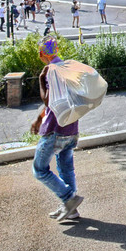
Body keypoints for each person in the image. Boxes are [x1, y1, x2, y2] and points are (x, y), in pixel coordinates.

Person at [31, 39, 84, 222]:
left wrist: (40, 80)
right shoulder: (65, 68)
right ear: (57, 50)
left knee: (39, 169)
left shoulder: (49, 72)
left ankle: (69, 199)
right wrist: (38, 118)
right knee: (66, 167)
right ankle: (71, 209)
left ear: (41, 54)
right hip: (71, 126)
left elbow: (48, 100)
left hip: (55, 129)